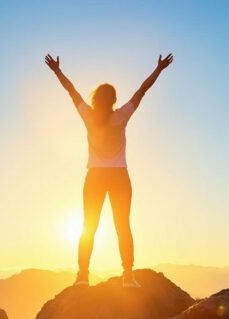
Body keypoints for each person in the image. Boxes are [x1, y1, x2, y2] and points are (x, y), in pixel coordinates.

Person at [45, 53, 173, 287]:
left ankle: (82, 276)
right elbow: (142, 91)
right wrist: (159, 69)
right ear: (114, 100)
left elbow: (71, 91)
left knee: (89, 226)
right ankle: (128, 276)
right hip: (119, 176)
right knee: (122, 225)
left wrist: (57, 71)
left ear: (95, 100)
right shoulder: (122, 115)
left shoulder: (88, 116)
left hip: (94, 175)